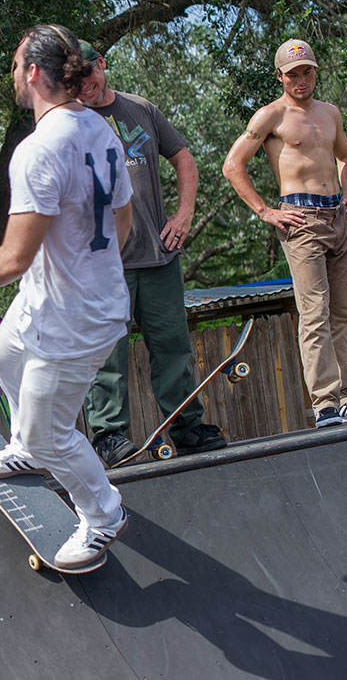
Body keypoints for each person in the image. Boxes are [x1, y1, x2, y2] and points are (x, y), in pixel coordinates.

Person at [0, 24, 133, 570]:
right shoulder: (101, 130)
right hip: (57, 299)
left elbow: (15, 255)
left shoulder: (38, 149)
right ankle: (27, 448)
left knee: (54, 434)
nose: (12, 75)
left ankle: (103, 514)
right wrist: (88, 266)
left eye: (14, 66)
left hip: (76, 319)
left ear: (32, 72)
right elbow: (122, 220)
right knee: (3, 356)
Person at [76, 39, 228, 465]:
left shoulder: (139, 108)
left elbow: (184, 159)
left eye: (89, 71)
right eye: (74, 77)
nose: (84, 83)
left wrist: (184, 214)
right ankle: (109, 434)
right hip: (104, 264)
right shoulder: (67, 122)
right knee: (107, 353)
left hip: (158, 255)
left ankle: (187, 426)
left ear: (102, 65)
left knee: (173, 347)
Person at [223, 39, 347, 427]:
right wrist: (265, 211)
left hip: (338, 217)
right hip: (300, 219)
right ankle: (325, 403)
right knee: (314, 312)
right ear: (279, 76)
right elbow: (233, 165)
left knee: (346, 311)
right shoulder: (271, 116)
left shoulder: (330, 113)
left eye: (308, 72)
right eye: (293, 74)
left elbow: (345, 157)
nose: (301, 80)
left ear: (316, 71)